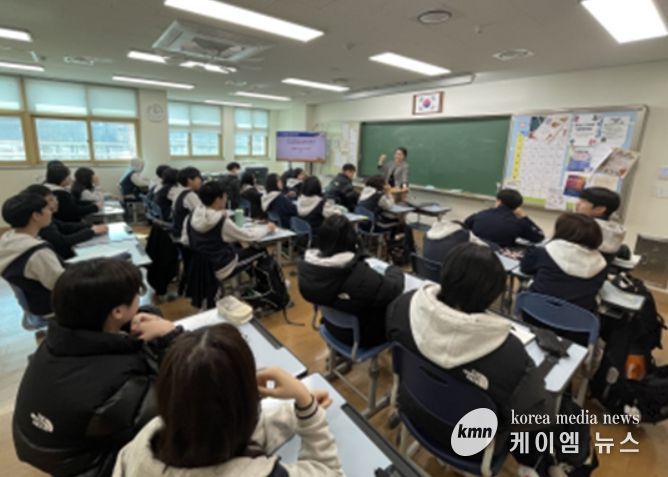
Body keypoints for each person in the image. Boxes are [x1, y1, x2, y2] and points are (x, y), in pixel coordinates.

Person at [386, 243, 558, 471]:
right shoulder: (509, 353)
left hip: (413, 409)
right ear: (493, 295)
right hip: (471, 444)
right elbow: (535, 416)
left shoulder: (404, 306)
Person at [12, 259, 182, 477]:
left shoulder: (57, 341)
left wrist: (134, 321)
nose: (139, 299)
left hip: (42, 444)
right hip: (90, 465)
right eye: (136, 294)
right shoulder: (118, 384)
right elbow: (177, 402)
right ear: (117, 312)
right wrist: (171, 337)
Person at [112, 324, 343, 477]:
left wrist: (295, 414)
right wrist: (305, 402)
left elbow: (219, 431)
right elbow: (328, 471)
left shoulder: (145, 440)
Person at [299, 215, 404, 347]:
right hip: (362, 336)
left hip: (330, 326)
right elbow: (394, 289)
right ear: (352, 239)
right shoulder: (360, 276)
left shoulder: (308, 269)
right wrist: (394, 270)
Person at [182, 181, 276, 282]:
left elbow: (186, 240)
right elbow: (249, 236)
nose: (226, 199)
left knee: (238, 246)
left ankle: (255, 280)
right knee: (261, 251)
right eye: (225, 196)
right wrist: (267, 228)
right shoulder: (221, 222)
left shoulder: (192, 215)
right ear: (218, 199)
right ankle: (266, 285)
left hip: (201, 266)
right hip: (221, 267)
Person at [520, 213, 607, 312]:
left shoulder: (545, 251)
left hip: (535, 313)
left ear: (561, 231)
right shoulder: (601, 264)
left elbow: (525, 268)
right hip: (577, 319)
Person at [0, 192, 64, 317]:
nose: (51, 211)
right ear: (36, 216)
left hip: (34, 305)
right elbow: (63, 285)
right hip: (53, 308)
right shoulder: (37, 253)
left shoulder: (7, 239)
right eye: (47, 208)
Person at [25, 184, 108, 260]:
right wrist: (91, 231)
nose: (56, 201)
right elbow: (62, 242)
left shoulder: (45, 219)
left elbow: (64, 226)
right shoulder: (42, 225)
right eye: (50, 200)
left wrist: (90, 226)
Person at [464, 188, 544, 248]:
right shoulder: (519, 223)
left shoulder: (481, 214)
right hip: (498, 258)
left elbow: (465, 226)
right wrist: (524, 217)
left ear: (499, 201)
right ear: (517, 207)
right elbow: (539, 237)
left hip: (472, 252)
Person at [576, 187, 626, 259]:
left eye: (583, 201)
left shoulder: (586, 230)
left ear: (599, 209)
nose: (577, 203)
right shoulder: (614, 231)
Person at [423, 217, 488, 263]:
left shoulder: (427, 235)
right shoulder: (463, 234)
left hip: (426, 274)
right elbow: (485, 246)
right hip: (448, 275)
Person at [172, 167, 203, 238]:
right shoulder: (190, 196)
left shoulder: (179, 191)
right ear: (189, 180)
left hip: (178, 230)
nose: (201, 181)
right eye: (198, 178)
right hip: (186, 234)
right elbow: (202, 215)